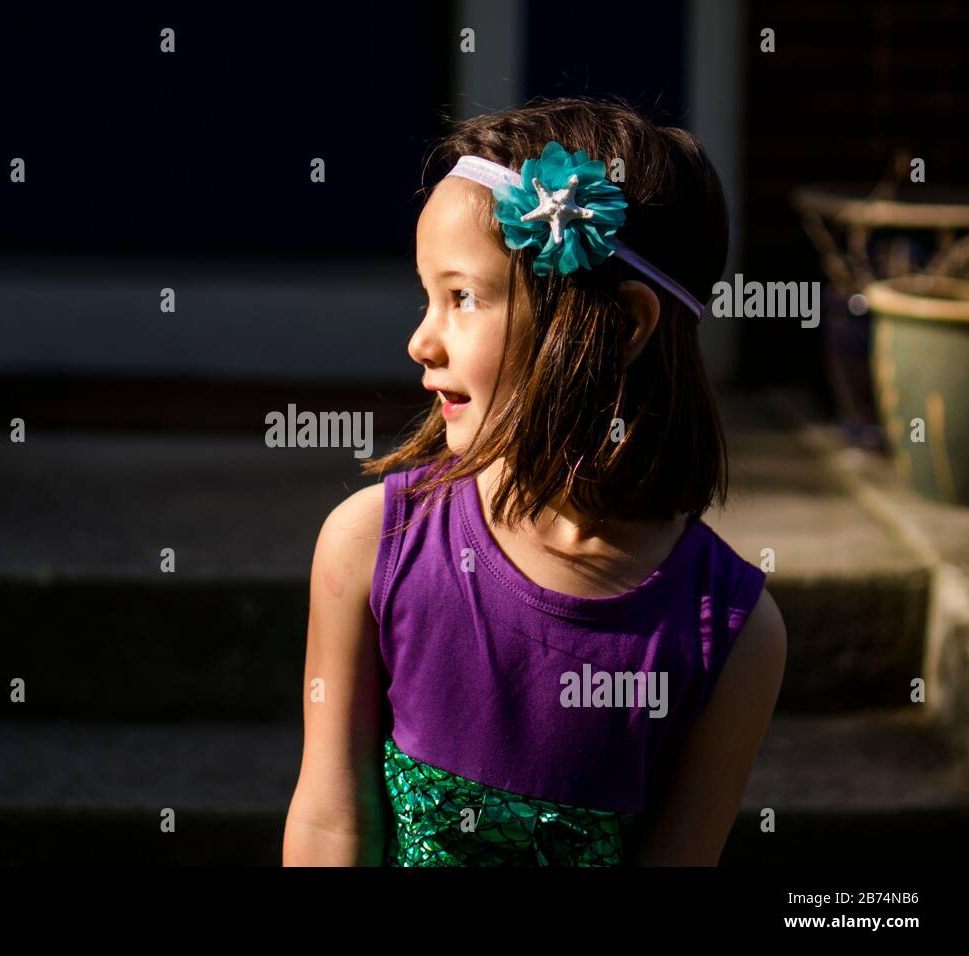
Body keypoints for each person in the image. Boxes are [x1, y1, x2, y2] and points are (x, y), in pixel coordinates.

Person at [282, 97, 786, 866]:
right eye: (428, 297)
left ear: (623, 326)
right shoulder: (369, 547)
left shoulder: (733, 633)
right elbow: (329, 823)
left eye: (463, 298)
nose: (421, 340)